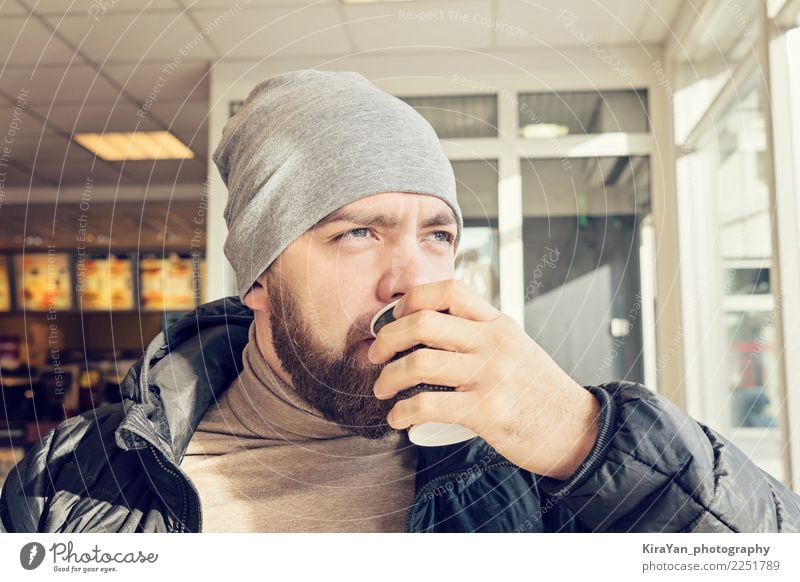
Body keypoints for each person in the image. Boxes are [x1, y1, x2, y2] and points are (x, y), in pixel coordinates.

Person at [2, 70, 799, 533]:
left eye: (438, 235)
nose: (412, 279)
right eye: (358, 233)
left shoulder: (523, 468)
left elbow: (773, 548)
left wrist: (587, 437)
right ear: (260, 276)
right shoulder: (74, 482)